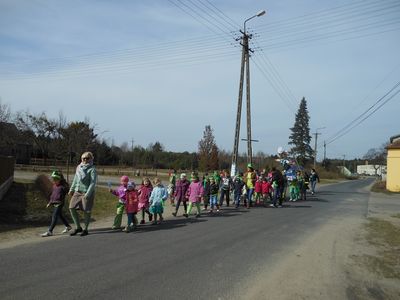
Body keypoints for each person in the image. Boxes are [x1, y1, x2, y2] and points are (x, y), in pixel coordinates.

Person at [68, 151, 97, 236]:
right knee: (71, 207)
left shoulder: (92, 169)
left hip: (87, 192)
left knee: (87, 211)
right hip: (77, 191)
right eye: (83, 158)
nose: (85, 160)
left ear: (91, 159)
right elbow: (75, 179)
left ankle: (85, 229)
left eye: (87, 158)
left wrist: (87, 194)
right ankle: (78, 227)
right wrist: (71, 189)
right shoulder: (79, 167)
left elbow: (92, 183)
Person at [41, 171, 71, 237]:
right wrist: (50, 202)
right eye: (53, 179)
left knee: (54, 216)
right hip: (54, 203)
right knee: (60, 215)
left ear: (60, 179)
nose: (54, 181)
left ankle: (50, 231)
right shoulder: (54, 186)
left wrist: (70, 192)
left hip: (59, 203)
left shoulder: (63, 187)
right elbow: (53, 196)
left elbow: (69, 191)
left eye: (56, 179)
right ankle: (68, 226)